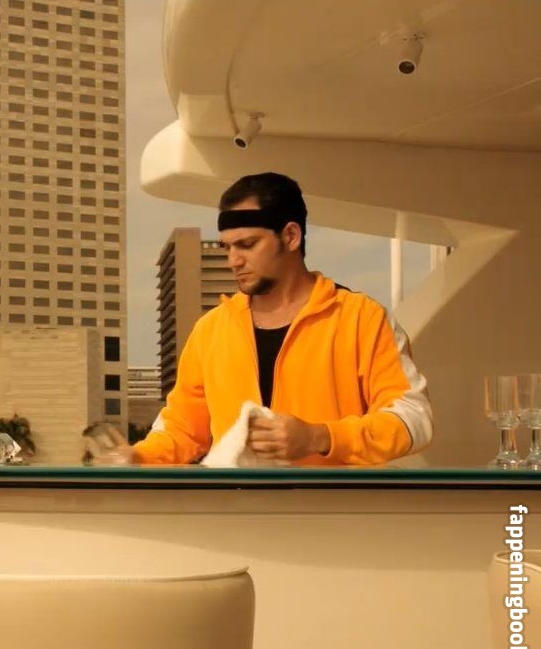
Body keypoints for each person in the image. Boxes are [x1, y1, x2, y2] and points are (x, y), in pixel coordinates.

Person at [129, 172, 433, 466]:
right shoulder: (209, 331)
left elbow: (414, 418)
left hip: (335, 502)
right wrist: (133, 459)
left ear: (291, 236)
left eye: (247, 244)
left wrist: (320, 437)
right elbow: (180, 430)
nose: (233, 260)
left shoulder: (364, 319)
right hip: (237, 502)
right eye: (227, 247)